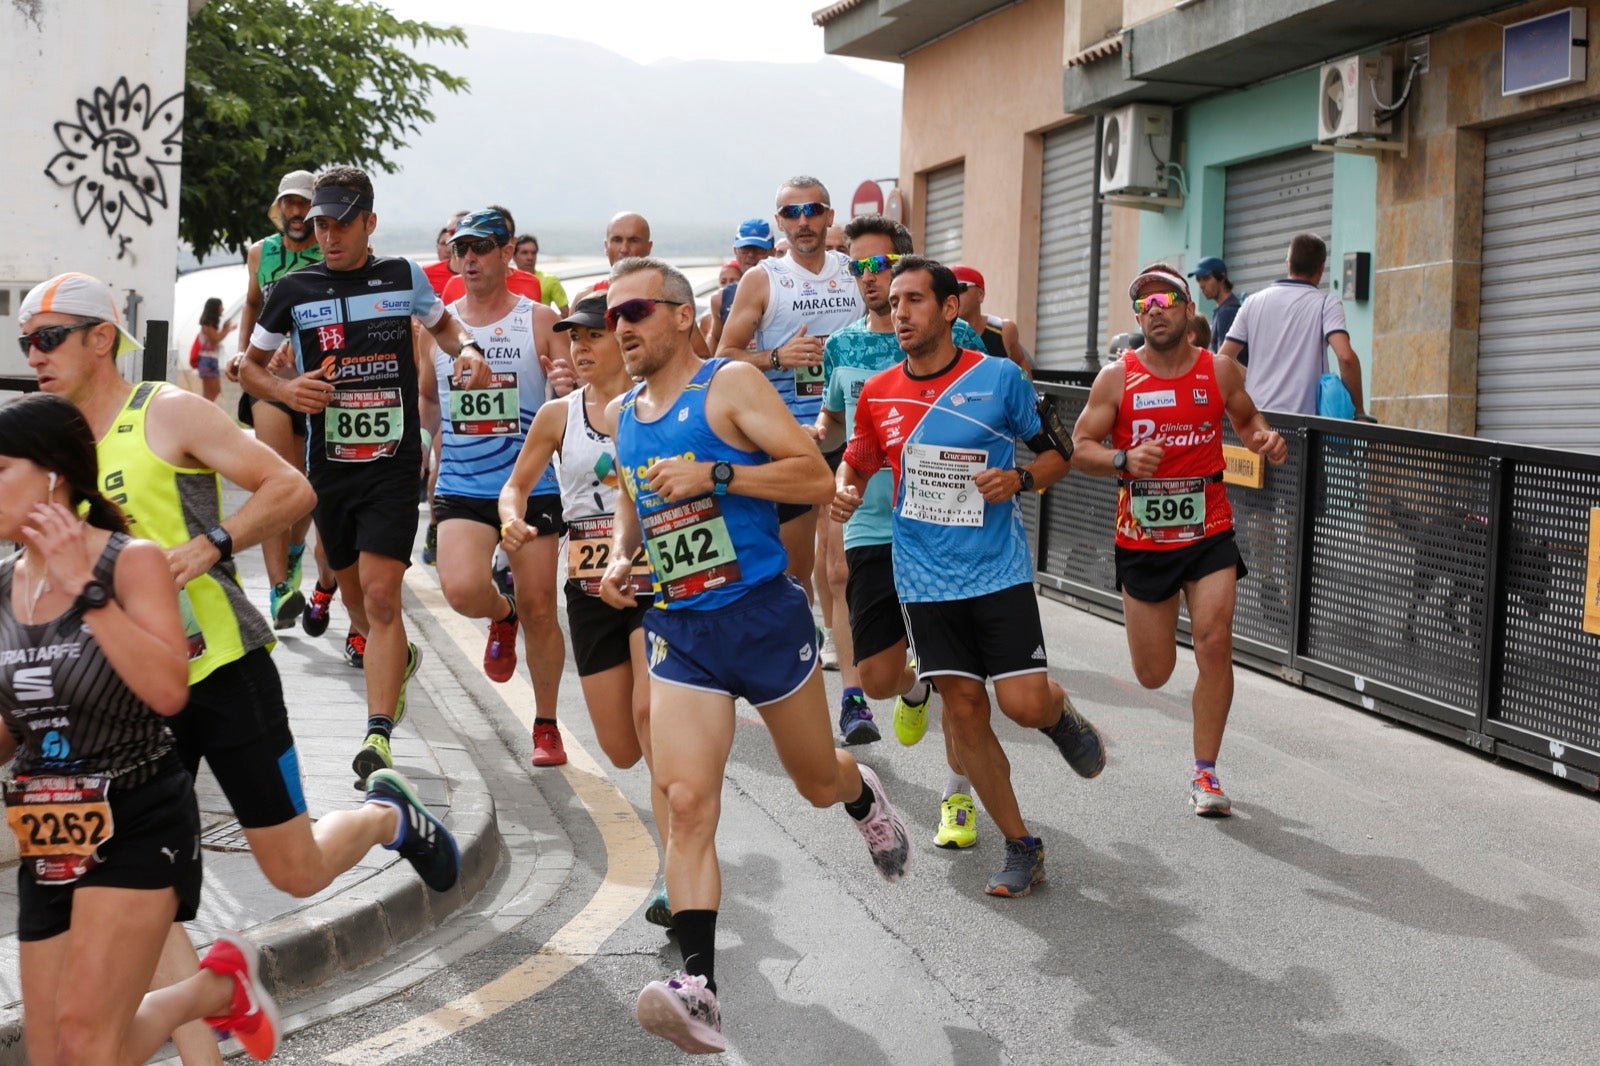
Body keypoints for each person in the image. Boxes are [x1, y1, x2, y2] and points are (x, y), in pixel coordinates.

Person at [23, 270, 460, 1064]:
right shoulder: (50, 453)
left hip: (222, 669)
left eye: (48, 338)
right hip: (127, 699)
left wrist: (209, 546)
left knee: (294, 870)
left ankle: (385, 815)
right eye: (26, 342)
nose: (34, 355)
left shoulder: (166, 410)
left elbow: (290, 489)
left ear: (101, 338)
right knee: (145, 893)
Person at [597, 257, 910, 1055]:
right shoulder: (624, 412)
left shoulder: (729, 385)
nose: (621, 327)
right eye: (611, 316)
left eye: (636, 311)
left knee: (816, 782)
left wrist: (716, 472)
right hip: (684, 632)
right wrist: (623, 555)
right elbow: (635, 495)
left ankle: (861, 793)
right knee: (686, 803)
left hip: (765, 619)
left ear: (681, 315)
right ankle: (700, 988)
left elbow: (813, 477)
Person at [0, 391, 284, 1064]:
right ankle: (215, 989)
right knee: (54, 1054)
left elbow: (167, 690)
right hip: (49, 828)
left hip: (137, 816)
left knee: (87, 1043)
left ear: (53, 475)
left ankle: (208, 992)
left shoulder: (131, 563)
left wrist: (86, 591)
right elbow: (10, 729)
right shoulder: (3, 584)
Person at [838, 256, 1103, 898]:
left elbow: (1059, 454)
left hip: (996, 570)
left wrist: (1020, 478)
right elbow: (857, 461)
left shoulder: (998, 377)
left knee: (1022, 704)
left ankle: (1057, 712)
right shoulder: (878, 393)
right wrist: (846, 488)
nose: (900, 313)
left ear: (950, 308)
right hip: (924, 577)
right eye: (894, 303)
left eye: (914, 300)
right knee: (963, 708)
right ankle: (1021, 845)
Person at [239, 166, 492, 788]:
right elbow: (248, 368)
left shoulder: (401, 276)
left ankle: (377, 735)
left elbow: (444, 325)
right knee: (355, 600)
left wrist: (468, 350)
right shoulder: (293, 289)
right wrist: (285, 389)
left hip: (393, 462)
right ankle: (395, 655)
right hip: (331, 466)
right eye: (320, 225)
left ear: (369, 223)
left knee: (382, 598)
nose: (327, 236)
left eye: (340, 224)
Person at [1071, 264, 1288, 815]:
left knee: (1214, 641)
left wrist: (1265, 439)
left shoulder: (1219, 370)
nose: (1154, 309)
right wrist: (1122, 459)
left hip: (1208, 528)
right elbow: (1080, 447)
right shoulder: (1116, 378)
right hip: (1143, 538)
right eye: (1144, 303)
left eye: (1166, 299)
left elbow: (1248, 420)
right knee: (1154, 673)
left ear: (1189, 310)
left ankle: (1205, 773)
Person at [817, 218, 992, 837]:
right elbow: (836, 424)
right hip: (872, 521)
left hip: (945, 522)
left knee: (960, 679)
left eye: (880, 265)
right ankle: (914, 689)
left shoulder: (955, 332)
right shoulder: (841, 346)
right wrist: (813, 440)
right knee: (880, 678)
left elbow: (988, 410)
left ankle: (957, 797)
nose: (869, 278)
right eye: (857, 267)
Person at [499, 293, 668, 915]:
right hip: (589, 586)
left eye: (593, 335)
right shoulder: (557, 415)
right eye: (574, 337)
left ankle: (676, 866)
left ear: (623, 340)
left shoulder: (656, 405)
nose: (581, 347)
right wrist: (512, 520)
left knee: (651, 715)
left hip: (655, 578)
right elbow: (515, 486)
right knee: (621, 747)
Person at [419, 206, 573, 768]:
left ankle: (547, 724)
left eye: (482, 247)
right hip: (462, 481)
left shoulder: (540, 319)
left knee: (541, 607)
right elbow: (428, 397)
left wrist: (566, 383)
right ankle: (500, 615)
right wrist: (429, 447)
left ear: (508, 252)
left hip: (529, 484)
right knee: (461, 591)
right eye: (461, 248)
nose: (470, 258)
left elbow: (573, 390)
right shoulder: (438, 328)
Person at [717, 177, 864, 613]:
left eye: (813, 210)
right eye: (792, 213)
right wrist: (778, 357)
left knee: (845, 565)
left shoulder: (854, 272)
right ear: (779, 221)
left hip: (853, 431)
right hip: (789, 437)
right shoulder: (763, 280)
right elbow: (724, 357)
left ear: (830, 216)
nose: (804, 221)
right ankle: (806, 635)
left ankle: (842, 641)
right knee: (794, 570)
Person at [226, 169, 329, 635]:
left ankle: (293, 550)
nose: (296, 211)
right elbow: (253, 303)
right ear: (279, 207)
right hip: (267, 381)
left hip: (315, 381)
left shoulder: (328, 252)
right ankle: (278, 589)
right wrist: (244, 353)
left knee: (305, 486)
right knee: (274, 478)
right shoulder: (260, 253)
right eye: (290, 202)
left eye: (304, 203)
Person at [1217, 233, 1367, 419]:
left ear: (1287, 263)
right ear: (1321, 268)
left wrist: (1251, 375)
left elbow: (1222, 358)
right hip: (1302, 423)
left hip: (1256, 420)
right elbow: (1346, 358)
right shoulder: (1326, 304)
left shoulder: (1252, 302)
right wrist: (1359, 412)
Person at [705, 219, 775, 354]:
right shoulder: (720, 299)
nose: (751, 255)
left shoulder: (789, 290)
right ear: (735, 251)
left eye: (759, 249)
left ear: (772, 252)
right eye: (744, 249)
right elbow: (716, 338)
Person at [950, 264, 1034, 377]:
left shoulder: (1003, 331)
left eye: (959, 288)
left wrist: (1025, 385)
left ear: (980, 294)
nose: (953, 297)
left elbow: (1020, 364)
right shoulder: (939, 333)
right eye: (947, 292)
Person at [1189, 256, 1240, 350]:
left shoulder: (1228, 312)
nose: (1201, 285)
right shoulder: (1221, 310)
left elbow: (1224, 356)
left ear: (1222, 277)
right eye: (1198, 280)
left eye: (1206, 278)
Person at [512, 233, 571, 315]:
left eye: (533, 253)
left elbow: (566, 313)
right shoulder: (506, 281)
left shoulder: (550, 280)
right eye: (524, 253)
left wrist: (548, 322)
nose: (530, 257)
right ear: (513, 256)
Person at [195, 298, 234, 404]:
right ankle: (202, 411)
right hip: (207, 360)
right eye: (221, 306)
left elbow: (216, 339)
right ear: (215, 308)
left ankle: (203, 411)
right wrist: (226, 329)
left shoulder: (209, 324)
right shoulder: (207, 324)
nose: (223, 309)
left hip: (210, 360)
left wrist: (227, 329)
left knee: (214, 392)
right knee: (210, 394)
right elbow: (215, 339)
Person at [421, 211, 470, 296]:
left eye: (464, 231)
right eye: (452, 232)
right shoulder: (425, 274)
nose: (458, 236)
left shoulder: (485, 274)